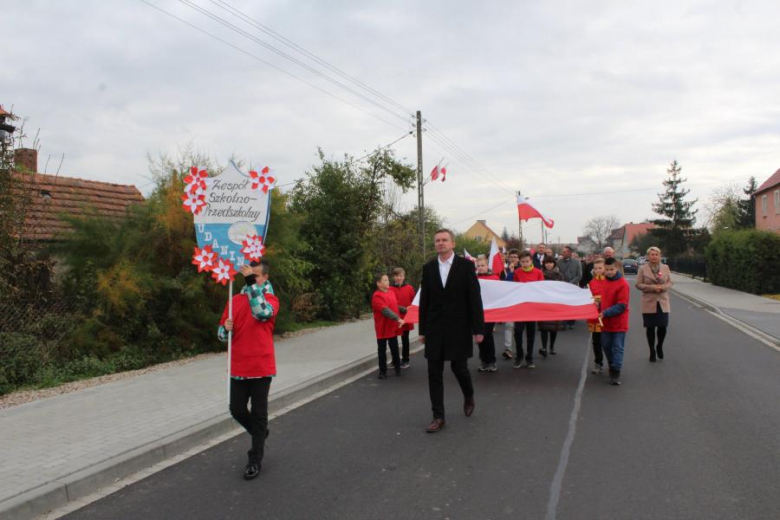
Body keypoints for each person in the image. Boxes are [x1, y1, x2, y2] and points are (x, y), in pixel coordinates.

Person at [418, 229, 485, 433]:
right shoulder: (428, 268)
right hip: (435, 327)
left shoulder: (465, 266)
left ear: (453, 243)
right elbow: (425, 301)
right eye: (437, 240)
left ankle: (468, 394)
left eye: (444, 240)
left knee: (459, 368)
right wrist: (422, 329)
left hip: (459, 326)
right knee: (433, 372)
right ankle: (438, 416)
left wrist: (478, 328)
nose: (440, 243)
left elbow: (475, 299)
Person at [219, 260, 280, 480]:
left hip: (261, 366)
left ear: (264, 278)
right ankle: (260, 432)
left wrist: (249, 284)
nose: (252, 279)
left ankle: (254, 459)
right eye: (250, 275)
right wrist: (225, 329)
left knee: (259, 413)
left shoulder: (270, 299)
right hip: (238, 366)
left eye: (255, 276)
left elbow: (262, 313)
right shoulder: (234, 300)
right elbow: (221, 335)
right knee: (236, 409)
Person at [635, 246, 673, 362]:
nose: (654, 256)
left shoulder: (665, 267)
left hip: (662, 301)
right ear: (648, 256)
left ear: (660, 256)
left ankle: (659, 346)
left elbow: (670, 282)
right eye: (652, 254)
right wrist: (652, 288)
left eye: (656, 254)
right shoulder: (642, 269)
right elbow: (638, 284)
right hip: (649, 302)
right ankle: (652, 350)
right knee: (650, 328)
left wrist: (662, 287)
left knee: (663, 327)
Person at [599, 258, 630, 386]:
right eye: (607, 270)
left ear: (617, 268)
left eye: (612, 269)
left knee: (618, 347)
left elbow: (621, 305)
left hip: (618, 322)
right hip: (605, 322)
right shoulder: (604, 282)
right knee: (606, 346)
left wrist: (605, 312)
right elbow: (602, 300)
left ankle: (616, 370)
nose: (609, 272)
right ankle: (612, 365)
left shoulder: (623, 284)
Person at [512, 250, 544, 368]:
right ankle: (519, 356)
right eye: (522, 262)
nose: (525, 264)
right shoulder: (517, 272)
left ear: (531, 261)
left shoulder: (538, 272)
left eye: (527, 261)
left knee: (531, 333)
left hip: (532, 307)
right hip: (520, 306)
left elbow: (541, 288)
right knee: (518, 332)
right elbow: (514, 287)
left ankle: (529, 357)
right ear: (519, 262)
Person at [371, 273, 404, 379]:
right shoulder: (377, 296)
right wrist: (398, 318)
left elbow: (395, 305)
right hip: (382, 328)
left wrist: (405, 309)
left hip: (392, 327)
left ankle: (398, 368)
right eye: (385, 280)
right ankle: (382, 371)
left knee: (394, 348)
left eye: (388, 280)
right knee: (382, 350)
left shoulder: (391, 292)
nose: (388, 282)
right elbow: (385, 310)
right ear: (379, 283)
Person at [476, 256, 499, 372]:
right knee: (479, 336)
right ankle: (483, 360)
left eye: (482, 265)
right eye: (478, 266)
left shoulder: (494, 278)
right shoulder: (473, 278)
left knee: (487, 335)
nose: (480, 268)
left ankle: (491, 361)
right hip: (477, 311)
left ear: (487, 266)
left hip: (490, 311)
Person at [390, 267, 416, 369]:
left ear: (404, 277)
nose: (399, 278)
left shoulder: (409, 288)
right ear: (393, 277)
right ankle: (395, 360)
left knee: (405, 339)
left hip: (406, 318)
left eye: (401, 276)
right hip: (394, 318)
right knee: (393, 340)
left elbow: (414, 302)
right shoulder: (390, 289)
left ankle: (405, 359)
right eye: (396, 276)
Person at [538, 256, 564, 357]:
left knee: (554, 328)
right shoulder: (540, 274)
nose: (548, 265)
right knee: (544, 327)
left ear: (554, 264)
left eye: (550, 263)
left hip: (555, 303)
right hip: (543, 302)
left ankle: (552, 347)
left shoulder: (559, 275)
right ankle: (544, 347)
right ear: (544, 264)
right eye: (546, 263)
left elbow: (562, 288)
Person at [498, 249, 521, 360]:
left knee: (519, 329)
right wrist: (510, 272)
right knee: (509, 325)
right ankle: (508, 349)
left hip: (521, 301)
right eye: (511, 256)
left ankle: (520, 349)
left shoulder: (522, 270)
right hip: (509, 301)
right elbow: (504, 284)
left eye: (515, 257)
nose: (513, 258)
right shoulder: (504, 270)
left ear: (519, 259)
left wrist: (513, 272)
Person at [587, 258, 607, 374]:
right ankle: (598, 362)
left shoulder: (610, 281)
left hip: (607, 315)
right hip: (595, 316)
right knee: (597, 341)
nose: (598, 270)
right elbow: (589, 297)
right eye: (595, 269)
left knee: (608, 342)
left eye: (600, 268)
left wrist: (600, 300)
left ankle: (612, 362)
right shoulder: (591, 282)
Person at [557, 246, 582, 329]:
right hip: (562, 287)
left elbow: (579, 275)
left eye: (565, 252)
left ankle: (571, 322)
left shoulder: (577, 262)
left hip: (573, 287)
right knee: (563, 305)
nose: (563, 253)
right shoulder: (559, 262)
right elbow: (558, 274)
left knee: (572, 305)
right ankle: (564, 322)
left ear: (570, 253)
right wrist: (563, 283)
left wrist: (571, 283)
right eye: (562, 252)